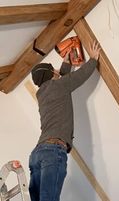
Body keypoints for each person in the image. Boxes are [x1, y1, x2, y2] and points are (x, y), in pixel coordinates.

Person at [29, 41, 100, 201]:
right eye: (53, 69)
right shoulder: (58, 86)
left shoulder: (41, 94)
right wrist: (93, 59)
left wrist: (66, 62)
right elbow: (78, 77)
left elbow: (62, 79)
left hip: (37, 155)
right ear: (51, 75)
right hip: (52, 152)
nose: (56, 70)